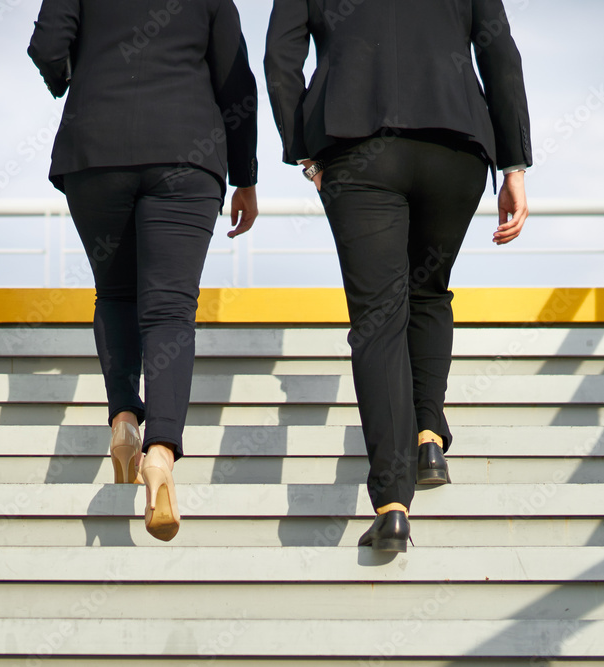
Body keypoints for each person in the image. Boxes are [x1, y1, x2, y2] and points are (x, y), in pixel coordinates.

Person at [265, 0, 531, 552]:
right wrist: (514, 165)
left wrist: (303, 151)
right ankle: (428, 435)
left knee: (378, 320)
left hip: (356, 145)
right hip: (455, 143)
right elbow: (500, 52)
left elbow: (279, 57)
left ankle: (392, 503)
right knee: (429, 292)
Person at [29, 0, 259, 541]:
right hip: (185, 152)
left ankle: (124, 421)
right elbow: (236, 82)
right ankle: (160, 455)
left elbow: (46, 47)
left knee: (114, 295)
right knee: (170, 310)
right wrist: (245, 174)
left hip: (95, 152)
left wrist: (70, 80)